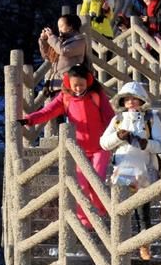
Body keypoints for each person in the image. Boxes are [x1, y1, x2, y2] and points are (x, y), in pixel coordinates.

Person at [18, 65, 114, 229]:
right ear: (68, 83)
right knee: (80, 186)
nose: (78, 88)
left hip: (101, 147)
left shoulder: (97, 95)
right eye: (74, 85)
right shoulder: (65, 97)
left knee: (96, 181)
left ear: (88, 81)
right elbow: (48, 111)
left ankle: (103, 209)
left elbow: (110, 117)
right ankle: (85, 222)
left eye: (81, 85)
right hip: (79, 150)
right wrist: (29, 119)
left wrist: (115, 137)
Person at [100, 81, 161, 261]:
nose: (131, 102)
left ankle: (144, 245)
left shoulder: (151, 118)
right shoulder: (117, 120)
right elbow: (104, 143)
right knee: (120, 208)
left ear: (141, 100)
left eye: (134, 99)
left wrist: (146, 143)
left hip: (142, 168)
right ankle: (118, 245)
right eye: (127, 99)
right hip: (122, 168)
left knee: (142, 208)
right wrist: (118, 136)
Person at [39, 13, 89, 97]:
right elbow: (47, 56)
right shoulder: (59, 42)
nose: (59, 30)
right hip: (54, 86)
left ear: (71, 27)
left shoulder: (80, 41)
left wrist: (51, 37)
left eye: (61, 26)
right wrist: (44, 40)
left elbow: (64, 51)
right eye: (58, 27)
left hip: (69, 86)